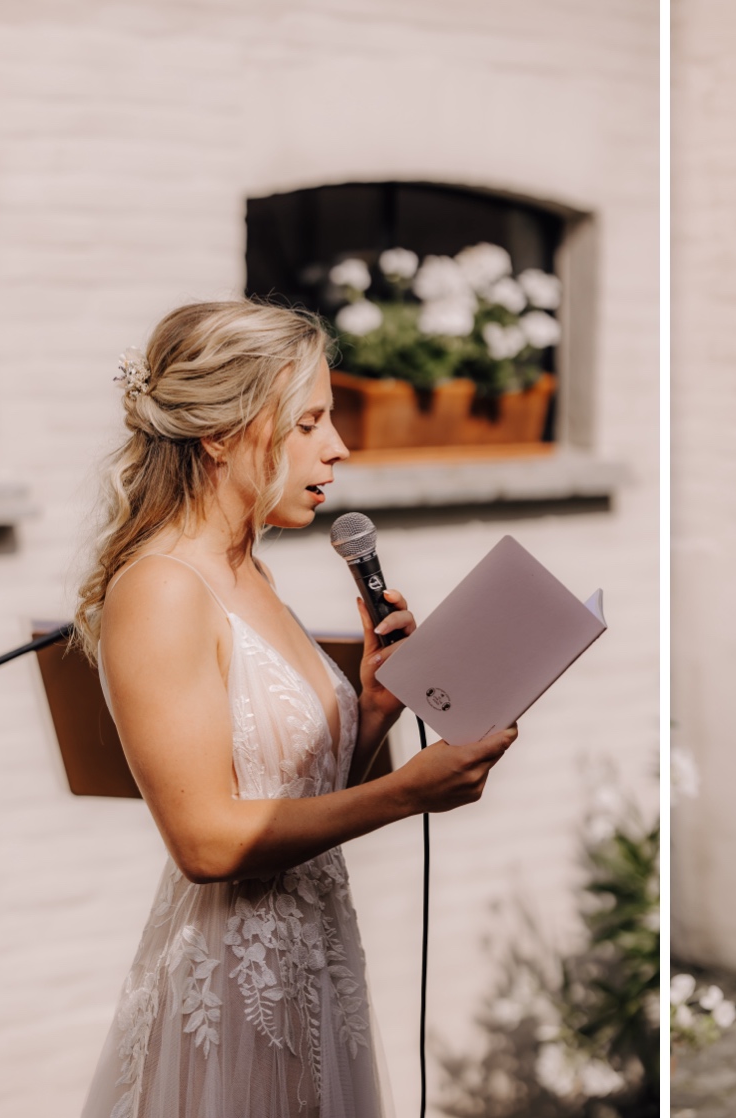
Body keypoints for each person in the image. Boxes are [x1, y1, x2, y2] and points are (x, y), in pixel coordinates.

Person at [74, 300, 517, 1118]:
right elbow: (207, 843)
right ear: (219, 434)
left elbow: (287, 792)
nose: (338, 447)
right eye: (309, 421)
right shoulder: (164, 588)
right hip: (235, 987)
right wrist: (407, 792)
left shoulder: (251, 572)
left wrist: (376, 710)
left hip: (315, 966)